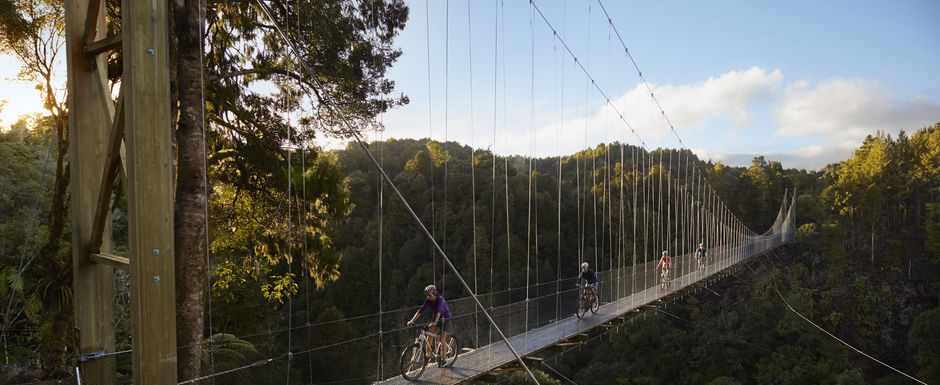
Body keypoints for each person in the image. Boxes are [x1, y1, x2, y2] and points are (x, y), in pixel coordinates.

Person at [407, 284, 452, 367]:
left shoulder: (440, 299)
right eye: (426, 295)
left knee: (441, 339)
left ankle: (444, 360)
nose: (427, 297)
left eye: (429, 295)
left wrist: (434, 322)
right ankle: (428, 357)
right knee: (429, 338)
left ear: (434, 293)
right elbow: (421, 310)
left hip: (445, 319)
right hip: (436, 319)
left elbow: (438, 312)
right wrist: (412, 321)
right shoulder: (428, 300)